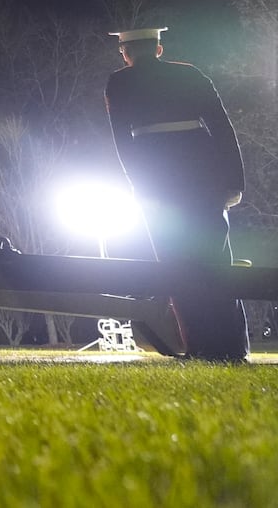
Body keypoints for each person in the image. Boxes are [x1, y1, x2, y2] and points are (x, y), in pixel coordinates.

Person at [104, 26, 249, 361]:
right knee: (216, 262)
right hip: (204, 180)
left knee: (176, 267)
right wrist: (234, 182)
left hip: (158, 186)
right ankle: (231, 347)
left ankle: (198, 345)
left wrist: (137, 185)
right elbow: (222, 127)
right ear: (158, 49)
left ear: (126, 53)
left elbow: (122, 142)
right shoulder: (191, 75)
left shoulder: (120, 82)